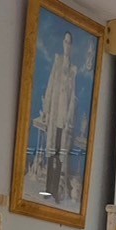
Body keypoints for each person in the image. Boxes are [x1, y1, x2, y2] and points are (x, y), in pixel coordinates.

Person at [35, 30, 76, 201]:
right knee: (51, 152)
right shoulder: (58, 62)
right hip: (54, 115)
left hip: (63, 119)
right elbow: (51, 86)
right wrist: (46, 110)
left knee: (60, 155)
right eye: (65, 42)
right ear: (63, 44)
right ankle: (48, 189)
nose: (67, 45)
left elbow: (73, 95)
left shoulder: (73, 69)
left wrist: (68, 119)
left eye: (69, 43)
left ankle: (56, 190)